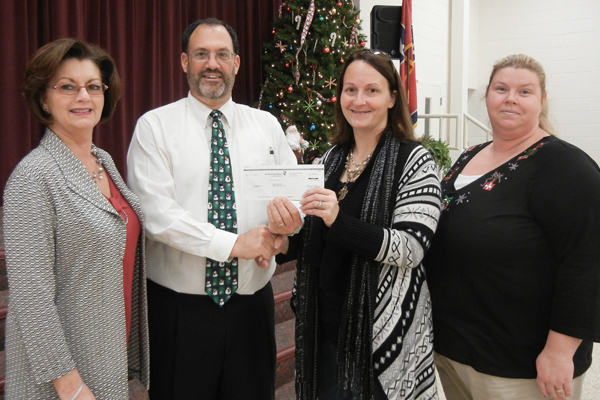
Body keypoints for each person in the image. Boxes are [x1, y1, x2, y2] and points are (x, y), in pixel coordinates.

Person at [126, 18, 297, 400]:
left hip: (252, 308)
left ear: (236, 63)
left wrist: (287, 227)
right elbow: (157, 217)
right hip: (180, 313)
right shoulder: (154, 127)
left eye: (222, 54)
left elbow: (293, 197)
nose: (212, 64)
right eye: (201, 54)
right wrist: (236, 245)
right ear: (184, 62)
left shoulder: (267, 126)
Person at [267, 49, 441, 399]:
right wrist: (283, 241)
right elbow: (315, 236)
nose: (358, 100)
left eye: (372, 90)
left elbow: (410, 249)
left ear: (393, 97)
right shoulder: (330, 158)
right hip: (325, 325)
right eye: (350, 89)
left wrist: (337, 218)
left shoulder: (415, 160)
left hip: (381, 334)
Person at [424, 54, 600, 400]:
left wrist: (560, 352)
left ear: (542, 101)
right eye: (501, 88)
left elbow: (587, 262)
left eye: (524, 91)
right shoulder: (468, 155)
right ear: (486, 95)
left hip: (521, 364)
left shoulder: (566, 167)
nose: (510, 98)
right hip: (455, 351)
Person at [3, 38, 149, 399]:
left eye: (93, 86)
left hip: (107, 352)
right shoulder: (32, 177)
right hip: (62, 376)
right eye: (67, 87)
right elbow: (30, 297)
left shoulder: (104, 162)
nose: (83, 96)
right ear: (43, 99)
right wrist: (70, 387)